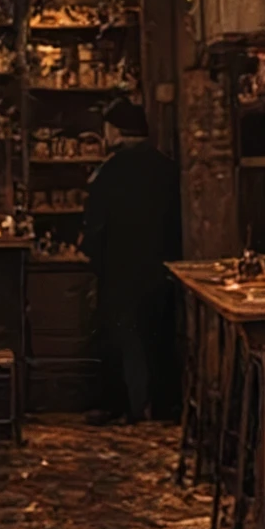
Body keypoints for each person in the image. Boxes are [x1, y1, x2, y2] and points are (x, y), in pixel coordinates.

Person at [80, 97, 183, 423]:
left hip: (120, 268)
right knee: (161, 339)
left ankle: (119, 407)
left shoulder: (109, 172)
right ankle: (165, 408)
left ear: (115, 130)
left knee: (116, 338)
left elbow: (96, 223)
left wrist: (93, 255)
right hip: (162, 267)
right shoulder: (167, 167)